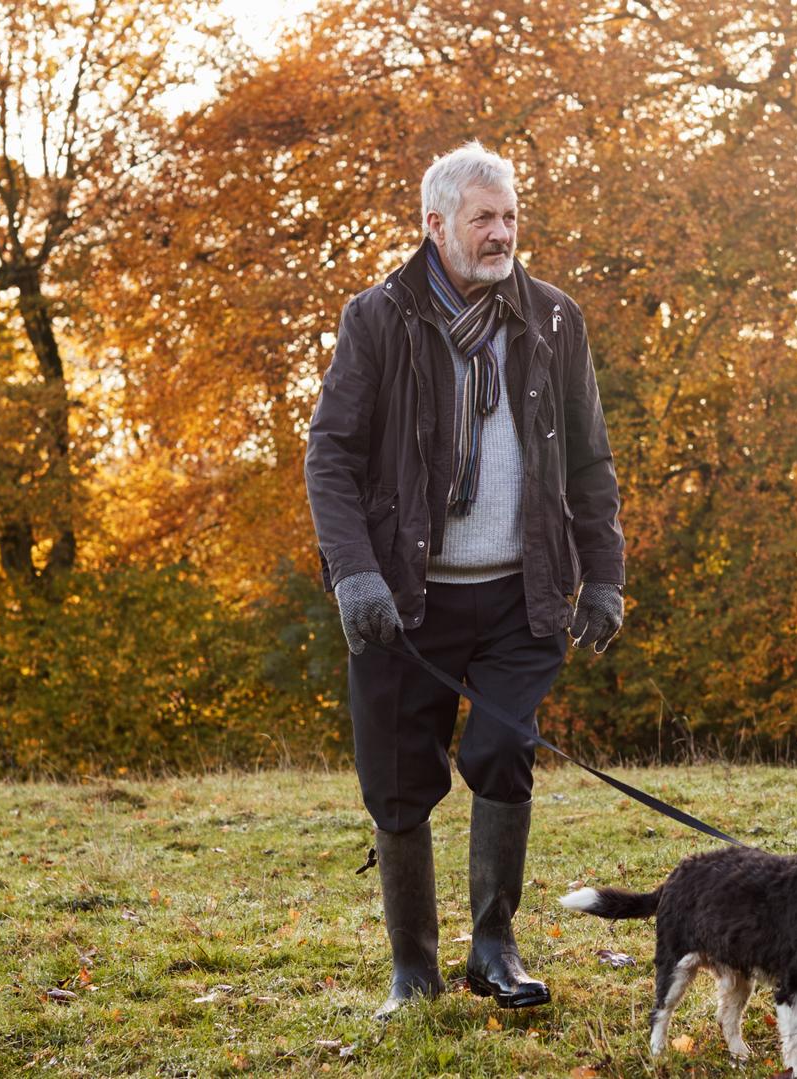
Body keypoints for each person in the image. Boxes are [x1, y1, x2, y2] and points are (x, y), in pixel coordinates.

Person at [302, 140, 627, 1018]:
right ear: (435, 224)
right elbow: (329, 456)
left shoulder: (554, 320)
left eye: (511, 214)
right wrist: (354, 576)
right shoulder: (378, 319)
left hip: (522, 592)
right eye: (483, 217)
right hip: (404, 599)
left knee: (502, 750)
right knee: (399, 779)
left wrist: (604, 578)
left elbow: (590, 461)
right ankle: (413, 968)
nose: (501, 232)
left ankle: (495, 945)